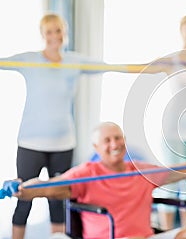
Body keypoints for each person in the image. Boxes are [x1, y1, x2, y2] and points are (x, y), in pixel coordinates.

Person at [13, 122, 186, 239]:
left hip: (145, 238)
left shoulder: (141, 171)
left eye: (117, 138)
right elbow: (48, 188)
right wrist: (23, 190)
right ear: (96, 147)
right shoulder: (85, 172)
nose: (114, 144)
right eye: (107, 140)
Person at [0, 13, 114, 239]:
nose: (54, 36)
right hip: (30, 144)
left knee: (57, 201)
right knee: (24, 200)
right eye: (49, 31)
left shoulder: (74, 62)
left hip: (63, 144)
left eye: (58, 31)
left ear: (65, 33)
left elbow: (112, 67)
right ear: (43, 35)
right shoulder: (29, 59)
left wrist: (154, 67)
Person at [154, 15, 186, 230]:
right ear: (180, 31)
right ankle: (166, 234)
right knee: (170, 180)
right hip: (172, 128)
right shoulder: (172, 60)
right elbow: (144, 68)